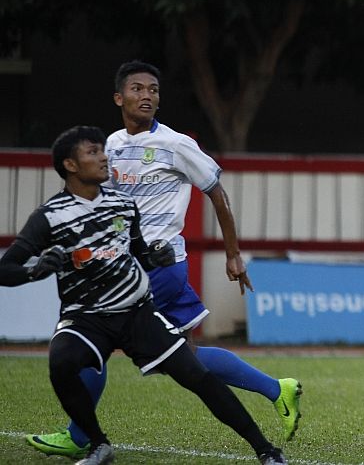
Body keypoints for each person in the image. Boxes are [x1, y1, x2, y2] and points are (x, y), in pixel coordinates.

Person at [27, 61, 301, 459]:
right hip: (122, 265)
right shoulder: (113, 145)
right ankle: (278, 389)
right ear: (119, 97)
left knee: (94, 340)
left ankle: (80, 434)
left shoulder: (176, 144)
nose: (147, 96)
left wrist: (233, 254)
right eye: (137, 89)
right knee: (182, 355)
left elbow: (216, 191)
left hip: (158, 266)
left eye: (153, 90)